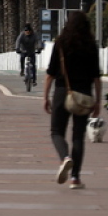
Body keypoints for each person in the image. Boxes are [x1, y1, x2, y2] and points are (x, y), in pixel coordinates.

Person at [42, 12, 102, 190]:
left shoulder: (61, 43)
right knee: (78, 136)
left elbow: (50, 73)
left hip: (62, 92)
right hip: (84, 95)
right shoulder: (91, 45)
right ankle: (75, 177)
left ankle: (65, 157)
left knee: (56, 131)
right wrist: (98, 101)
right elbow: (97, 77)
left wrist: (45, 97)